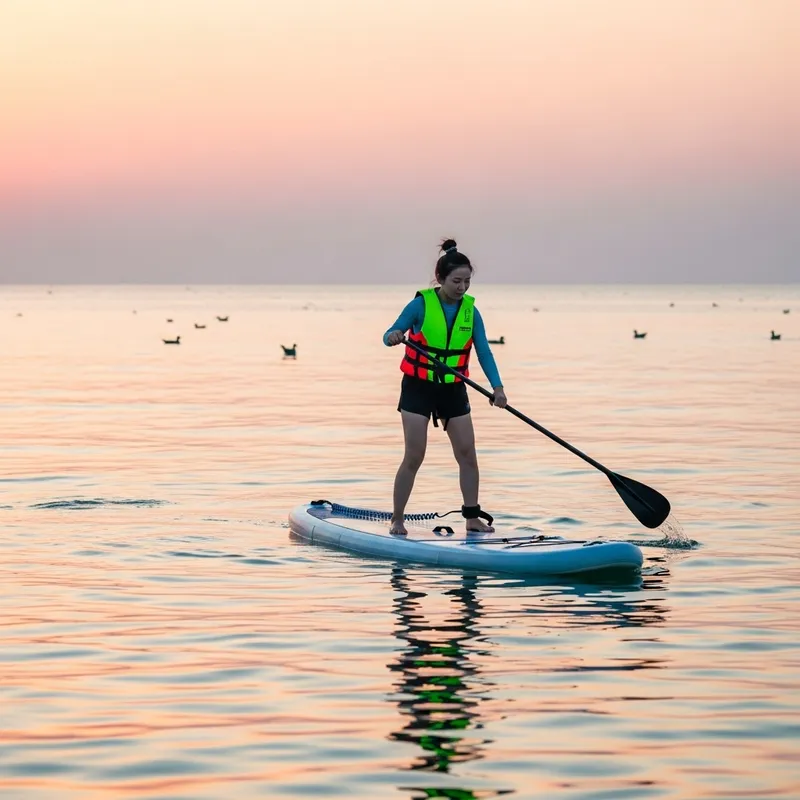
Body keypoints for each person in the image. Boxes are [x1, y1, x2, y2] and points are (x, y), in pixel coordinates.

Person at [383, 239, 507, 536]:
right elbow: (389, 333)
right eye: (456, 281)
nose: (462, 287)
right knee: (415, 455)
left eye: (467, 281)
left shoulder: (471, 312)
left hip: (453, 388)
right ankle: (397, 519)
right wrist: (395, 336)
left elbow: (484, 352)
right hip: (418, 387)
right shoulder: (420, 304)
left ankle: (472, 518)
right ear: (440, 279)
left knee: (467, 454)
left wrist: (498, 387)